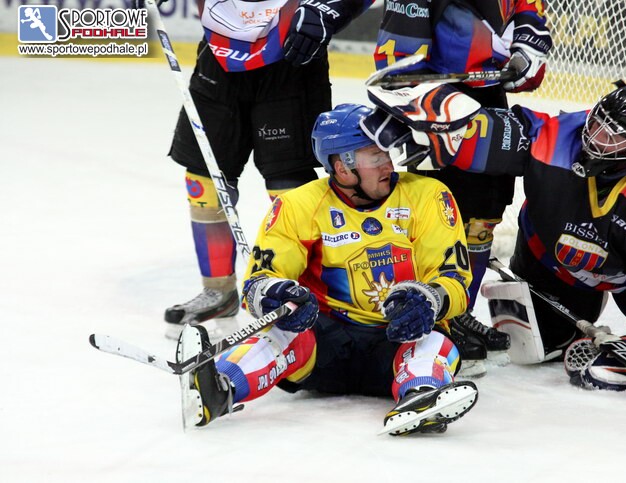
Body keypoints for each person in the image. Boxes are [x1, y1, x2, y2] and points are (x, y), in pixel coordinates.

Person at [369, 79, 626, 391]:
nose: (594, 136)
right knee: (530, 345)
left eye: (613, 137)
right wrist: (445, 133)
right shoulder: (557, 137)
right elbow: (493, 134)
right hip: (551, 263)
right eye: (597, 122)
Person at [178, 104, 478, 435]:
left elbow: (455, 281)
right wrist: (278, 296)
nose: (388, 164)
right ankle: (219, 387)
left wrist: (429, 300)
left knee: (433, 341)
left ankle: (421, 397)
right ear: (342, 167)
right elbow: (257, 284)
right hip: (324, 346)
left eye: (387, 153)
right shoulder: (298, 205)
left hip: (397, 342)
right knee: (280, 333)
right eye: (375, 156)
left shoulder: (429, 195)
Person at [140, 0, 374, 337]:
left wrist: (329, 9)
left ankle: (306, 298)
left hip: (292, 51)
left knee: (289, 189)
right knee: (204, 183)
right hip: (220, 50)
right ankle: (218, 292)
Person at [373, 0, 552, 369]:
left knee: (485, 214)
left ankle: (457, 313)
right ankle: (426, 314)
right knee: (436, 213)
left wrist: (528, 44)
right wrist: (418, 108)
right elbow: (394, 62)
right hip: (433, 100)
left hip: (487, 97)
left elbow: (526, 11)